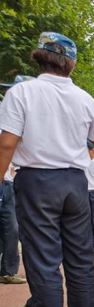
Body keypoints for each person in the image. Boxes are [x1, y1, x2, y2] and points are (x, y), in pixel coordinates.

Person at [0, 32, 94, 307]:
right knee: (80, 260)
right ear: (71, 65)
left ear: (39, 58)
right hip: (75, 181)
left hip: (37, 180)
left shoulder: (21, 93)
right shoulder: (86, 98)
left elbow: (7, 143)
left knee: (43, 260)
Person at [0, 76, 32, 285]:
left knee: (12, 229)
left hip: (8, 184)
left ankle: (8, 271)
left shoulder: (26, 120)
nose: (9, 95)